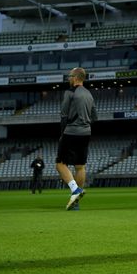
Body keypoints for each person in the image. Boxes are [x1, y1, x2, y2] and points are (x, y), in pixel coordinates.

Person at [55, 67, 97, 210]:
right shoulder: (89, 94)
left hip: (71, 131)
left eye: (70, 76)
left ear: (76, 77)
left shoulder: (70, 92)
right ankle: (76, 202)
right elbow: (94, 117)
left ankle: (75, 190)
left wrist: (62, 134)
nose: (68, 78)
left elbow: (64, 115)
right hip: (86, 132)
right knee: (80, 166)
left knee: (60, 164)